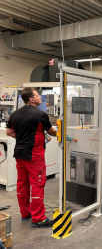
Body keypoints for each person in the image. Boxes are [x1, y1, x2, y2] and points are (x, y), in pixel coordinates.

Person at [6, 88, 57, 228]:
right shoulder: (40, 115)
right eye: (36, 95)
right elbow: (51, 132)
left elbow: (9, 132)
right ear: (31, 99)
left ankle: (25, 213)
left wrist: (23, 137)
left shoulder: (14, 114)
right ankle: (38, 218)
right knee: (37, 184)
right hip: (34, 156)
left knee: (22, 184)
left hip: (19, 154)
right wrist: (59, 132)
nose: (39, 97)